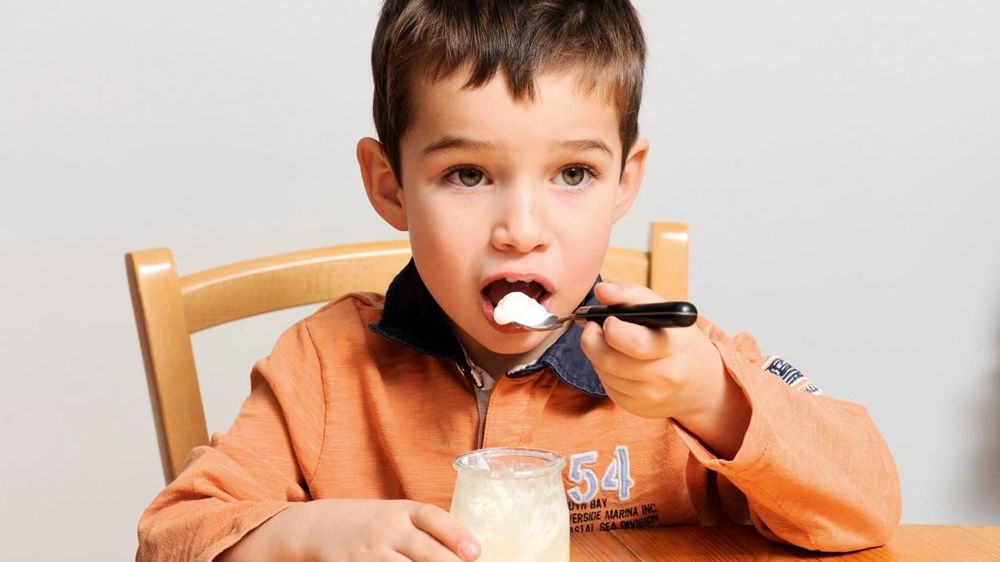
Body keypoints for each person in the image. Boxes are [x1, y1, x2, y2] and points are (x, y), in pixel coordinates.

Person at [137, 1, 901, 560]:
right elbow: (171, 535)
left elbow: (867, 504)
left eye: (573, 173)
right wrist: (305, 536)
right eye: (468, 174)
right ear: (391, 185)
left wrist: (716, 400)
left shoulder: (681, 369)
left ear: (625, 181)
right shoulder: (325, 368)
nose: (522, 228)